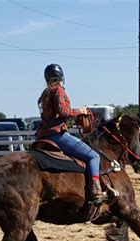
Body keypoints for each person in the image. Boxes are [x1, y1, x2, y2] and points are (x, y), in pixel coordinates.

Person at [36, 63, 103, 206]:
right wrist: (81, 111)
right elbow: (63, 111)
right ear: (60, 77)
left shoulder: (43, 96)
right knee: (93, 156)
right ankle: (96, 191)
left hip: (43, 136)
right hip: (57, 135)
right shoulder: (58, 90)